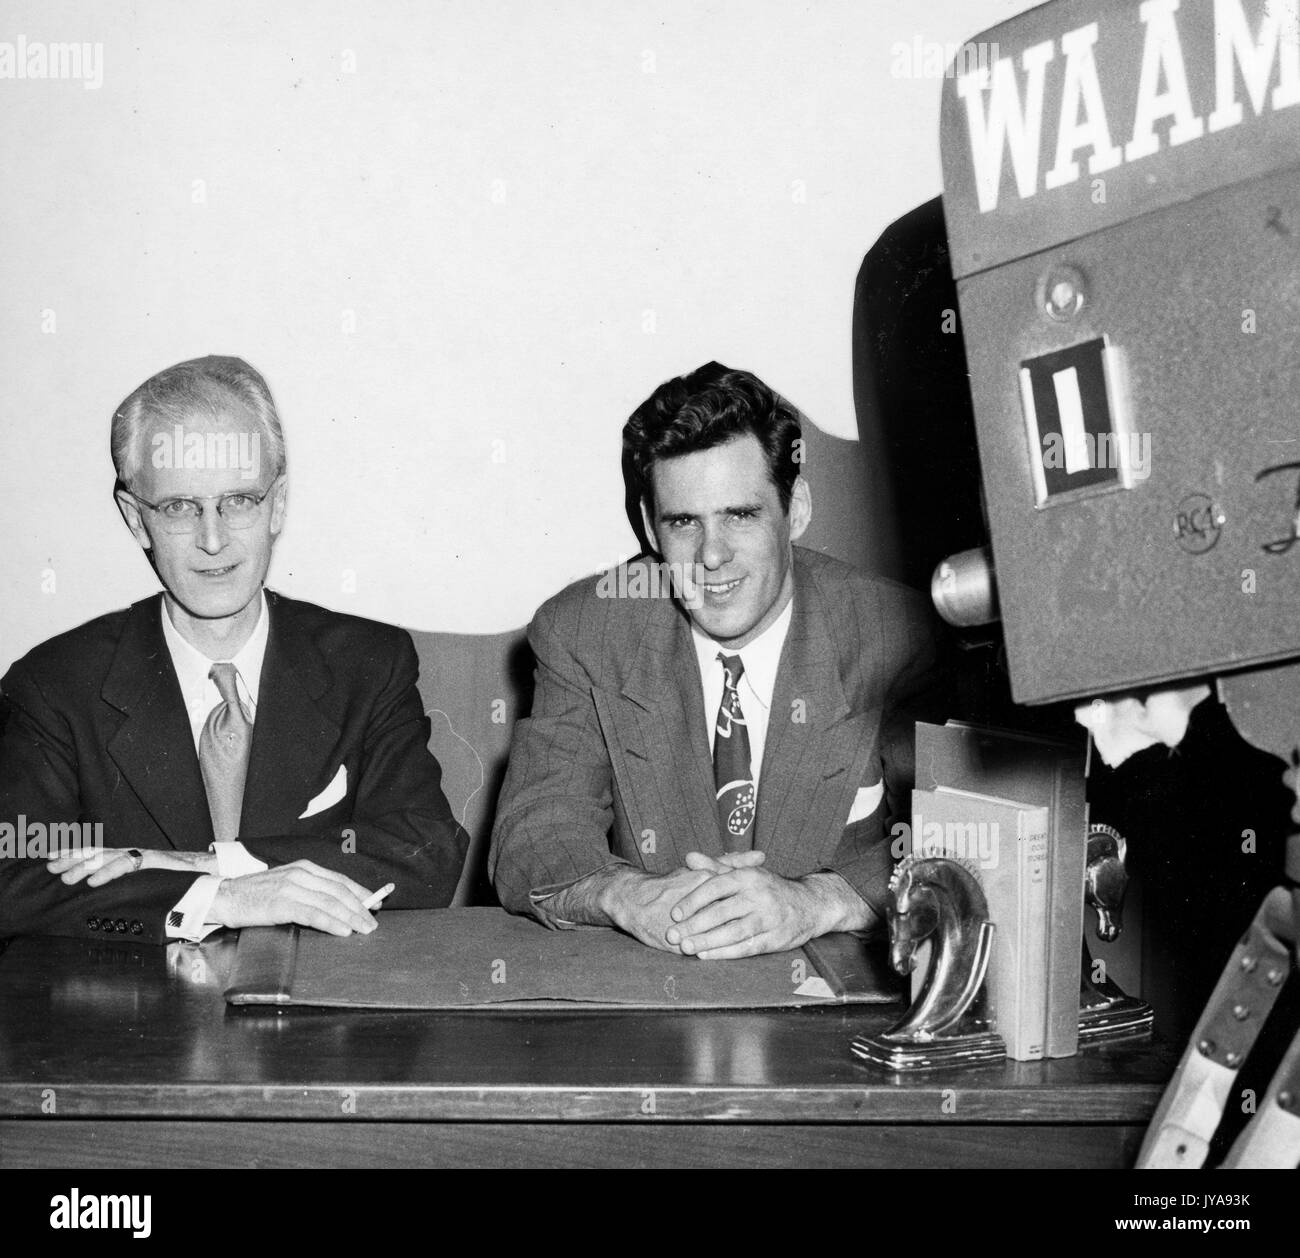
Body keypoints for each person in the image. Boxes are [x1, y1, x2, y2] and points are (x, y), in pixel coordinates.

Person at [0, 355, 466, 943]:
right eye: (179, 507)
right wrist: (220, 900)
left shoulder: (368, 662)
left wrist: (210, 866)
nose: (213, 539)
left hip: (316, 1018)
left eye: (239, 501)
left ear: (278, 504)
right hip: (135, 1023)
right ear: (135, 520)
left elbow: (427, 854)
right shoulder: (54, 683)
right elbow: (13, 884)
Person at [489, 361, 948, 959]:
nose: (711, 555)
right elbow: (535, 830)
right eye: (684, 522)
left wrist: (821, 901)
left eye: (740, 515)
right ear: (652, 530)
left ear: (797, 509)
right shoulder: (585, 630)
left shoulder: (899, 638)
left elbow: (962, 844)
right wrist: (624, 895)